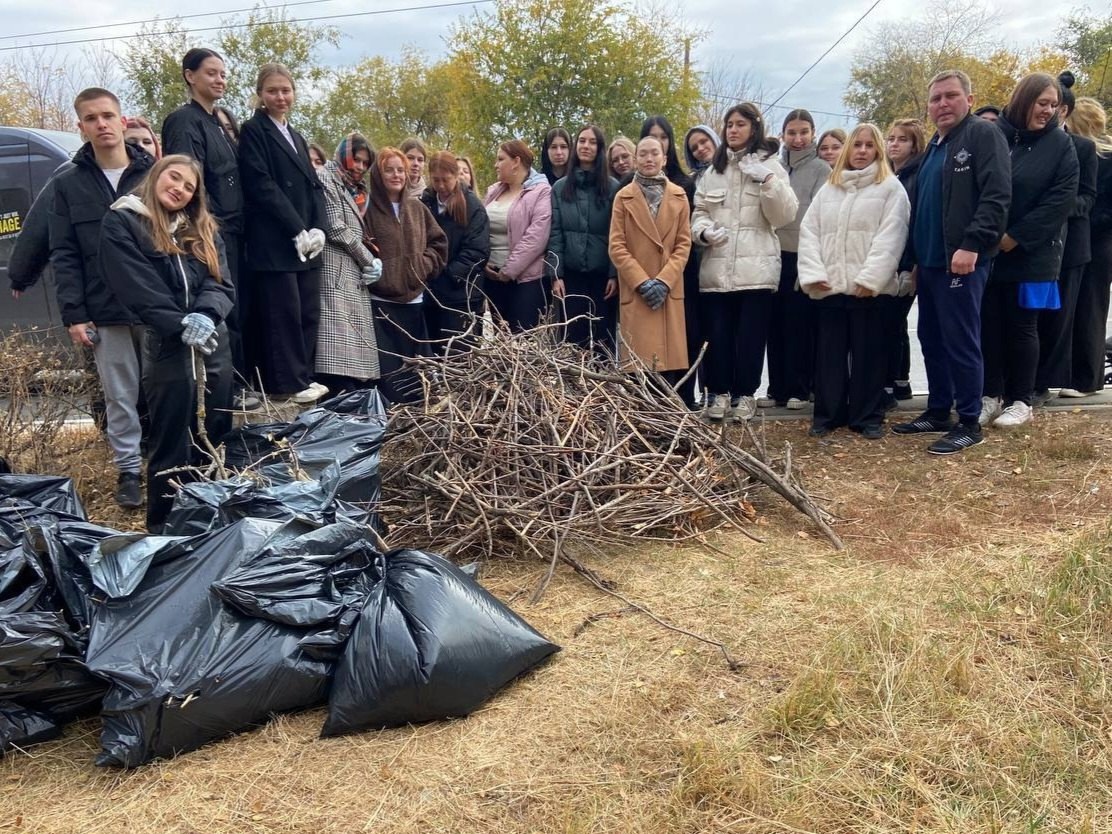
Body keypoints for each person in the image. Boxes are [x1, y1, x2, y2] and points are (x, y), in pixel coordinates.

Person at [98, 155, 235, 531]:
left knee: (216, 433)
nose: (179, 189)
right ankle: (166, 530)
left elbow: (221, 281)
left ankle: (215, 524)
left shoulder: (200, 227)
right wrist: (178, 323)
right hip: (168, 345)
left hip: (213, 343)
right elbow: (136, 286)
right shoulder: (123, 221)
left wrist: (207, 314)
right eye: (174, 178)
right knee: (173, 442)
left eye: (189, 187)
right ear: (158, 175)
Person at [891, 69, 1011, 455]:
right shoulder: (935, 148)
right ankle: (939, 410)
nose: (942, 104)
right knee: (932, 338)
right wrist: (913, 260)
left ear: (969, 100)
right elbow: (921, 207)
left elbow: (996, 195)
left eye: (950, 96)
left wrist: (972, 245)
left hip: (962, 261)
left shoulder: (982, 135)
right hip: (930, 263)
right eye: (936, 98)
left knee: (961, 341)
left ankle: (969, 421)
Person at [49, 87, 154, 508]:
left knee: (166, 388)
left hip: (154, 305)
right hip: (103, 309)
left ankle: (169, 462)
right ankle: (129, 470)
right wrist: (74, 313)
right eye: (91, 118)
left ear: (122, 119)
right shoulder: (68, 184)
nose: (102, 124)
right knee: (119, 394)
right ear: (81, 126)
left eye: (108, 115)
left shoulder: (153, 175)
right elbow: (64, 251)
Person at [979, 73, 1079, 429]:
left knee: (1022, 326)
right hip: (989, 250)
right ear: (1024, 100)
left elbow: (1059, 201)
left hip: (1033, 254)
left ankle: (1022, 399)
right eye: (1043, 103)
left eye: (1053, 105)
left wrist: (1016, 236)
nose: (1049, 111)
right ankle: (990, 395)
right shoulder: (994, 134)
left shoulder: (1060, 144)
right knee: (989, 325)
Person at [798, 123, 910, 439]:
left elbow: (892, 236)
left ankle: (867, 416)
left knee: (869, 355)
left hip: (868, 291)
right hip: (829, 287)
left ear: (878, 150)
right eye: (857, 145)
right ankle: (828, 415)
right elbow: (810, 233)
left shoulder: (890, 189)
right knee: (829, 356)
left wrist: (871, 278)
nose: (862, 151)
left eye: (869, 146)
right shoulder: (829, 189)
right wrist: (814, 274)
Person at [691, 102, 798, 422]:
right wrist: (704, 233)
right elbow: (698, 213)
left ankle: (745, 395)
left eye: (740, 124)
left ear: (754, 127)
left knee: (751, 338)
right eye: (729, 125)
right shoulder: (714, 171)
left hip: (757, 270)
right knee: (719, 336)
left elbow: (783, 216)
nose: (733, 130)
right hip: (717, 268)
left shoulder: (771, 166)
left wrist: (767, 182)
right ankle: (720, 393)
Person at [161, 48, 254, 409]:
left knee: (241, 309)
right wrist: (205, 230)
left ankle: (243, 383)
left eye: (223, 74)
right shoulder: (185, 122)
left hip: (236, 230)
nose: (220, 80)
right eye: (211, 73)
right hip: (209, 232)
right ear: (190, 76)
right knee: (221, 311)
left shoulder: (220, 121)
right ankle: (230, 392)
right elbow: (189, 181)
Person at [238, 62, 328, 404]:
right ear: (261, 94)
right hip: (275, 239)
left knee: (307, 309)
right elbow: (261, 184)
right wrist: (296, 228)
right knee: (282, 312)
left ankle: (303, 375)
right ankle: (284, 382)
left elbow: (314, 185)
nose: (280, 96)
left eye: (286, 90)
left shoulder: (297, 135)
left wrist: (318, 227)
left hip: (305, 241)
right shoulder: (254, 130)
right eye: (273, 90)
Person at [1034, 71, 1099, 404]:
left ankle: (1044, 382)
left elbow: (1088, 198)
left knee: (1060, 319)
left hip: (1071, 247)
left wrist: (1052, 208)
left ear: (1065, 112)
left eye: (1054, 106)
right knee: (1031, 315)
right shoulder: (1026, 144)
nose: (1047, 112)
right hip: (1033, 248)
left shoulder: (1084, 149)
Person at [364, 147, 447, 403]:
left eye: (400, 170)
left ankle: (417, 416)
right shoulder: (367, 208)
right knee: (388, 372)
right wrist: (373, 268)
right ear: (378, 173)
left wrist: (422, 265)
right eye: (389, 170)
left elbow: (439, 244)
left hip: (413, 300)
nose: (396, 175)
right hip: (381, 302)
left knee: (415, 370)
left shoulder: (417, 208)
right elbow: (360, 244)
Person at [763, 108, 830, 411]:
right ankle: (776, 387)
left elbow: (818, 217)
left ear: (813, 133)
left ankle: (799, 389)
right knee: (773, 323)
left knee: (799, 325)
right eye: (792, 132)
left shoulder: (821, 169)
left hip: (804, 253)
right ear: (783, 135)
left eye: (804, 132)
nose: (798, 138)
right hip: (774, 253)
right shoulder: (774, 166)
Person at [609, 136, 691, 377]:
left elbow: (683, 244)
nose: (649, 158)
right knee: (638, 371)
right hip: (638, 292)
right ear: (635, 160)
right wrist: (642, 282)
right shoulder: (623, 197)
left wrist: (664, 281)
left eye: (654, 153)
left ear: (664, 159)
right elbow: (616, 245)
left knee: (667, 373)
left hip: (668, 291)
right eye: (643, 153)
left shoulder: (679, 196)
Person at [314, 133, 383, 394]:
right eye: (356, 159)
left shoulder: (358, 191)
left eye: (366, 163)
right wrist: (369, 259)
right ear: (343, 154)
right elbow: (335, 227)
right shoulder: (326, 176)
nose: (360, 167)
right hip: (335, 273)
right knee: (336, 359)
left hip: (352, 275)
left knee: (355, 367)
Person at [549, 124, 620, 354]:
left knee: (604, 341)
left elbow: (617, 235)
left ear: (599, 148)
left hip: (603, 277)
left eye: (592, 142)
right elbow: (555, 232)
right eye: (581, 141)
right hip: (571, 275)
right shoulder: (560, 188)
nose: (586, 146)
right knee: (572, 341)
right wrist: (556, 274)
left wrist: (614, 274)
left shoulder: (612, 188)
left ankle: (606, 387)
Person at [1063, 97, 1112, 396]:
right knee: (1080, 306)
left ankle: (1087, 378)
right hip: (1089, 240)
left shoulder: (1103, 159)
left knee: (1090, 307)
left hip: (1099, 241)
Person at [419, 150, 491, 353]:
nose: (441, 186)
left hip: (460, 297)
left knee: (458, 358)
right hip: (430, 295)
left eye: (446, 180)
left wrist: (447, 276)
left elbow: (477, 252)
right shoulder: (425, 203)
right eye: (436, 180)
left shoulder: (473, 207)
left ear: (456, 176)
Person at [482, 139, 552, 332]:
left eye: (500, 159)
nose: (496, 164)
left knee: (522, 342)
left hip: (525, 283)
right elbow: (479, 228)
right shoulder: (493, 192)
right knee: (501, 340)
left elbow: (536, 237)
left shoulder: (541, 192)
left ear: (516, 162)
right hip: (492, 279)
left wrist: (508, 271)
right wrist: (484, 261)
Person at [884, 117, 927, 405]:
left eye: (902, 139)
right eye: (891, 138)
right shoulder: (890, 176)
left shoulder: (917, 175)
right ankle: (899, 380)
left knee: (893, 322)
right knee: (894, 324)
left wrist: (912, 263)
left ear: (915, 145)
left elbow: (916, 222)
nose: (894, 144)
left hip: (909, 260)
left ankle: (893, 382)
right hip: (891, 259)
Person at [641, 116, 690, 191]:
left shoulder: (685, 185)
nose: (658, 142)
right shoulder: (629, 185)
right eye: (653, 137)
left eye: (663, 137)